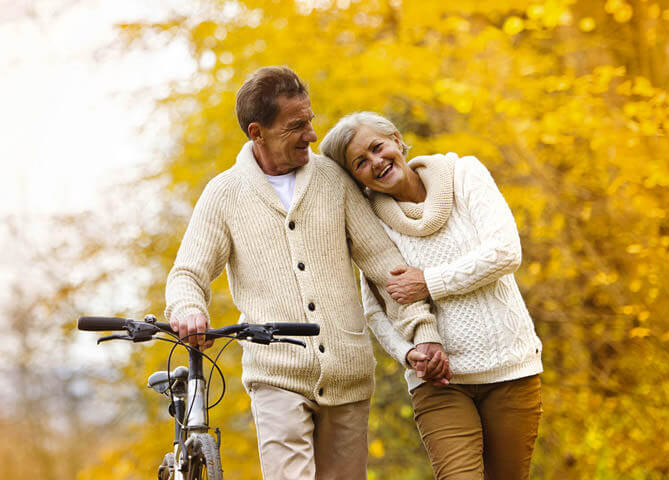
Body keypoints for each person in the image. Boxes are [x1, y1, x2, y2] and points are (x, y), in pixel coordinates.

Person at [164, 67, 449, 480]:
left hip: (348, 375)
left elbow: (386, 267)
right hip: (276, 375)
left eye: (310, 120)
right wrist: (189, 309)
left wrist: (423, 332)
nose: (312, 135)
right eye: (296, 126)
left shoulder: (334, 180)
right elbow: (187, 273)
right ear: (257, 133)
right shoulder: (224, 194)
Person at [320, 112, 543, 480]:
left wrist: (430, 282)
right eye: (360, 162)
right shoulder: (371, 223)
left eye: (377, 147)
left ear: (395, 138)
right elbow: (376, 309)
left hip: (511, 369)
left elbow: (505, 253)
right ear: (355, 177)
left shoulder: (463, 174)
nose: (376, 162)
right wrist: (408, 354)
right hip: (440, 385)